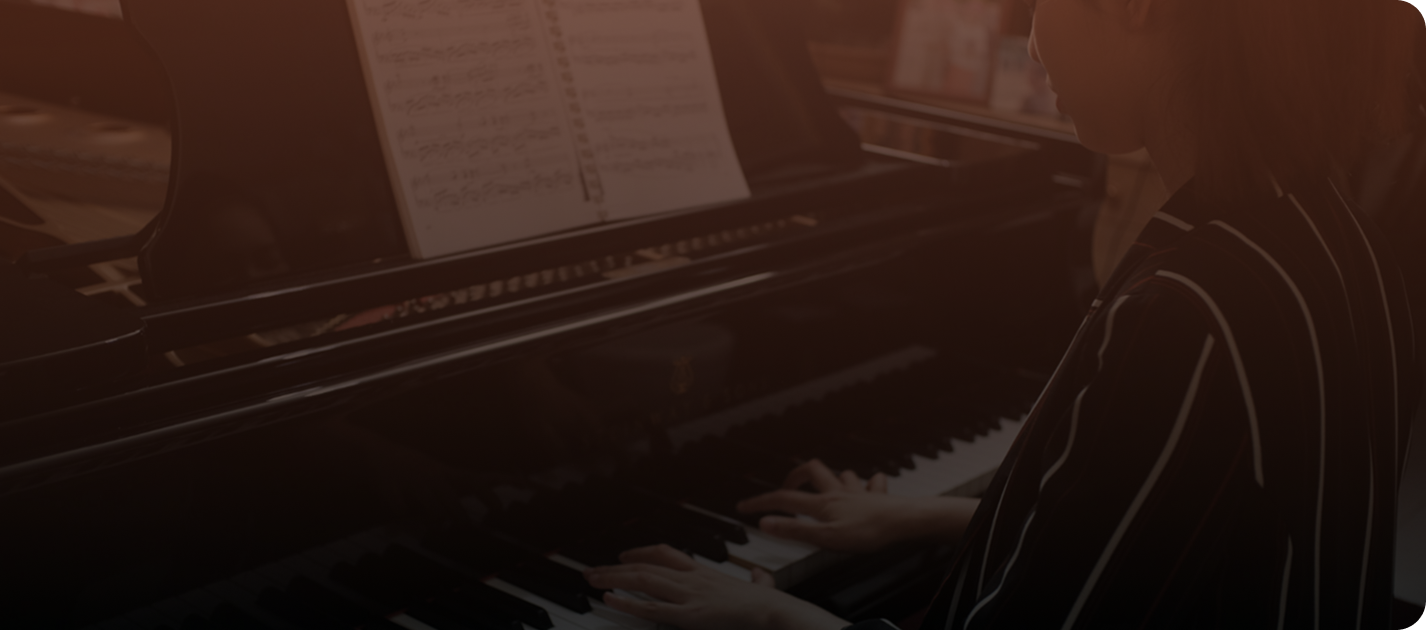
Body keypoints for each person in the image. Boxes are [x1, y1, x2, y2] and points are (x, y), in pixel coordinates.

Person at [582, 0, 1424, 628]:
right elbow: (1165, 522)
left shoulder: (1191, 315)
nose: (1029, 38)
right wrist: (920, 513)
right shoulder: (1333, 241)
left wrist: (769, 615)